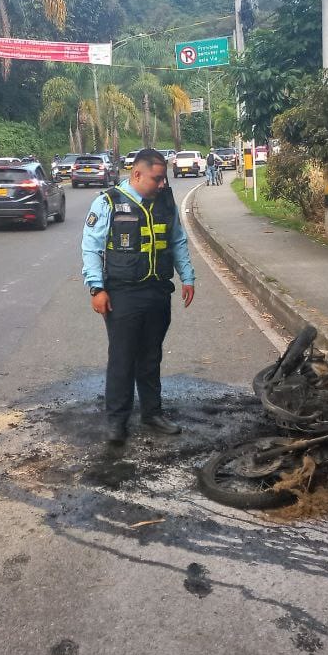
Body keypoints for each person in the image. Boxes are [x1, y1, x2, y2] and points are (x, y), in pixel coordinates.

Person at [81, 148, 196, 444]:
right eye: (157, 179)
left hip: (157, 291)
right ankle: (116, 421)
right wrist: (97, 288)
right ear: (137, 174)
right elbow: (91, 247)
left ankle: (152, 412)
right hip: (122, 294)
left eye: (163, 179)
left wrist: (187, 276)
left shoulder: (165, 203)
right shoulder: (108, 202)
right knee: (122, 357)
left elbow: (178, 241)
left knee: (151, 355)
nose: (161, 184)